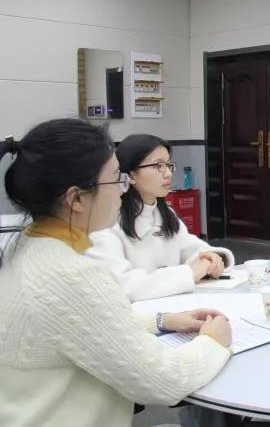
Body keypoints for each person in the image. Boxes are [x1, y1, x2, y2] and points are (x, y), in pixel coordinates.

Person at [0, 120, 232, 427]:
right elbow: (162, 380)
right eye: (115, 180)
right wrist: (212, 343)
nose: (122, 192)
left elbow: (82, 321)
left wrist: (163, 320)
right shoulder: (70, 275)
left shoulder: (25, 247)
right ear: (77, 199)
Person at [87, 134, 234, 301]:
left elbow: (191, 248)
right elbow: (123, 286)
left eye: (169, 165)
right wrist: (189, 273)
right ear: (131, 175)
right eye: (158, 166)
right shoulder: (105, 222)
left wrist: (212, 258)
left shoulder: (165, 213)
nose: (168, 174)